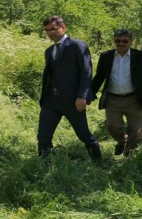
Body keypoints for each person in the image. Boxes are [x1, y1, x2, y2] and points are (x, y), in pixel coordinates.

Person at [37, 15, 102, 165]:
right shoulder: (49, 51)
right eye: (47, 30)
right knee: (43, 136)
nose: (50, 33)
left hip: (73, 100)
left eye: (53, 29)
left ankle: (99, 164)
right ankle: (44, 166)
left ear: (63, 27)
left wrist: (82, 96)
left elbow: (86, 72)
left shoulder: (77, 45)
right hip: (51, 101)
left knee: (84, 134)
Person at [91, 29, 142, 157]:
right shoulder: (106, 56)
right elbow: (99, 77)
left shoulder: (141, 57)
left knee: (137, 130)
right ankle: (122, 141)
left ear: (131, 41)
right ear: (114, 41)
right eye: (118, 40)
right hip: (112, 99)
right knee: (112, 126)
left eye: (125, 41)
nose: (121, 43)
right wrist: (89, 94)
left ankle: (129, 153)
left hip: (136, 98)